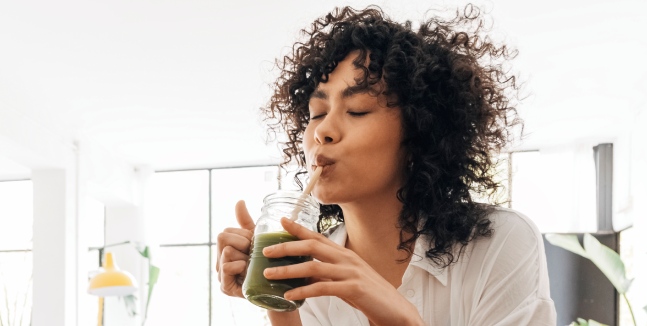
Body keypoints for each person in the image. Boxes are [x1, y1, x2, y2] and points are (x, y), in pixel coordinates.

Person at [215, 5, 556, 326]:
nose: (322, 131)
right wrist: (279, 299)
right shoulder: (309, 267)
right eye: (316, 114)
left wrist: (400, 319)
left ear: (418, 131)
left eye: (357, 110)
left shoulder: (500, 243)